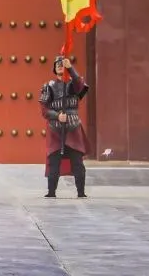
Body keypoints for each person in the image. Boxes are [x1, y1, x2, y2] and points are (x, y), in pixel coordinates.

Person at [40, 56, 89, 199]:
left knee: (77, 162)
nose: (60, 66)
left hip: (73, 128)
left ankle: (81, 192)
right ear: (54, 69)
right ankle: (51, 192)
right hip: (55, 129)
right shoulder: (48, 86)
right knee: (54, 162)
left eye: (62, 64)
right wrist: (56, 116)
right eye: (57, 65)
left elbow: (80, 86)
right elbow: (44, 110)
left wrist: (71, 68)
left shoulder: (74, 84)